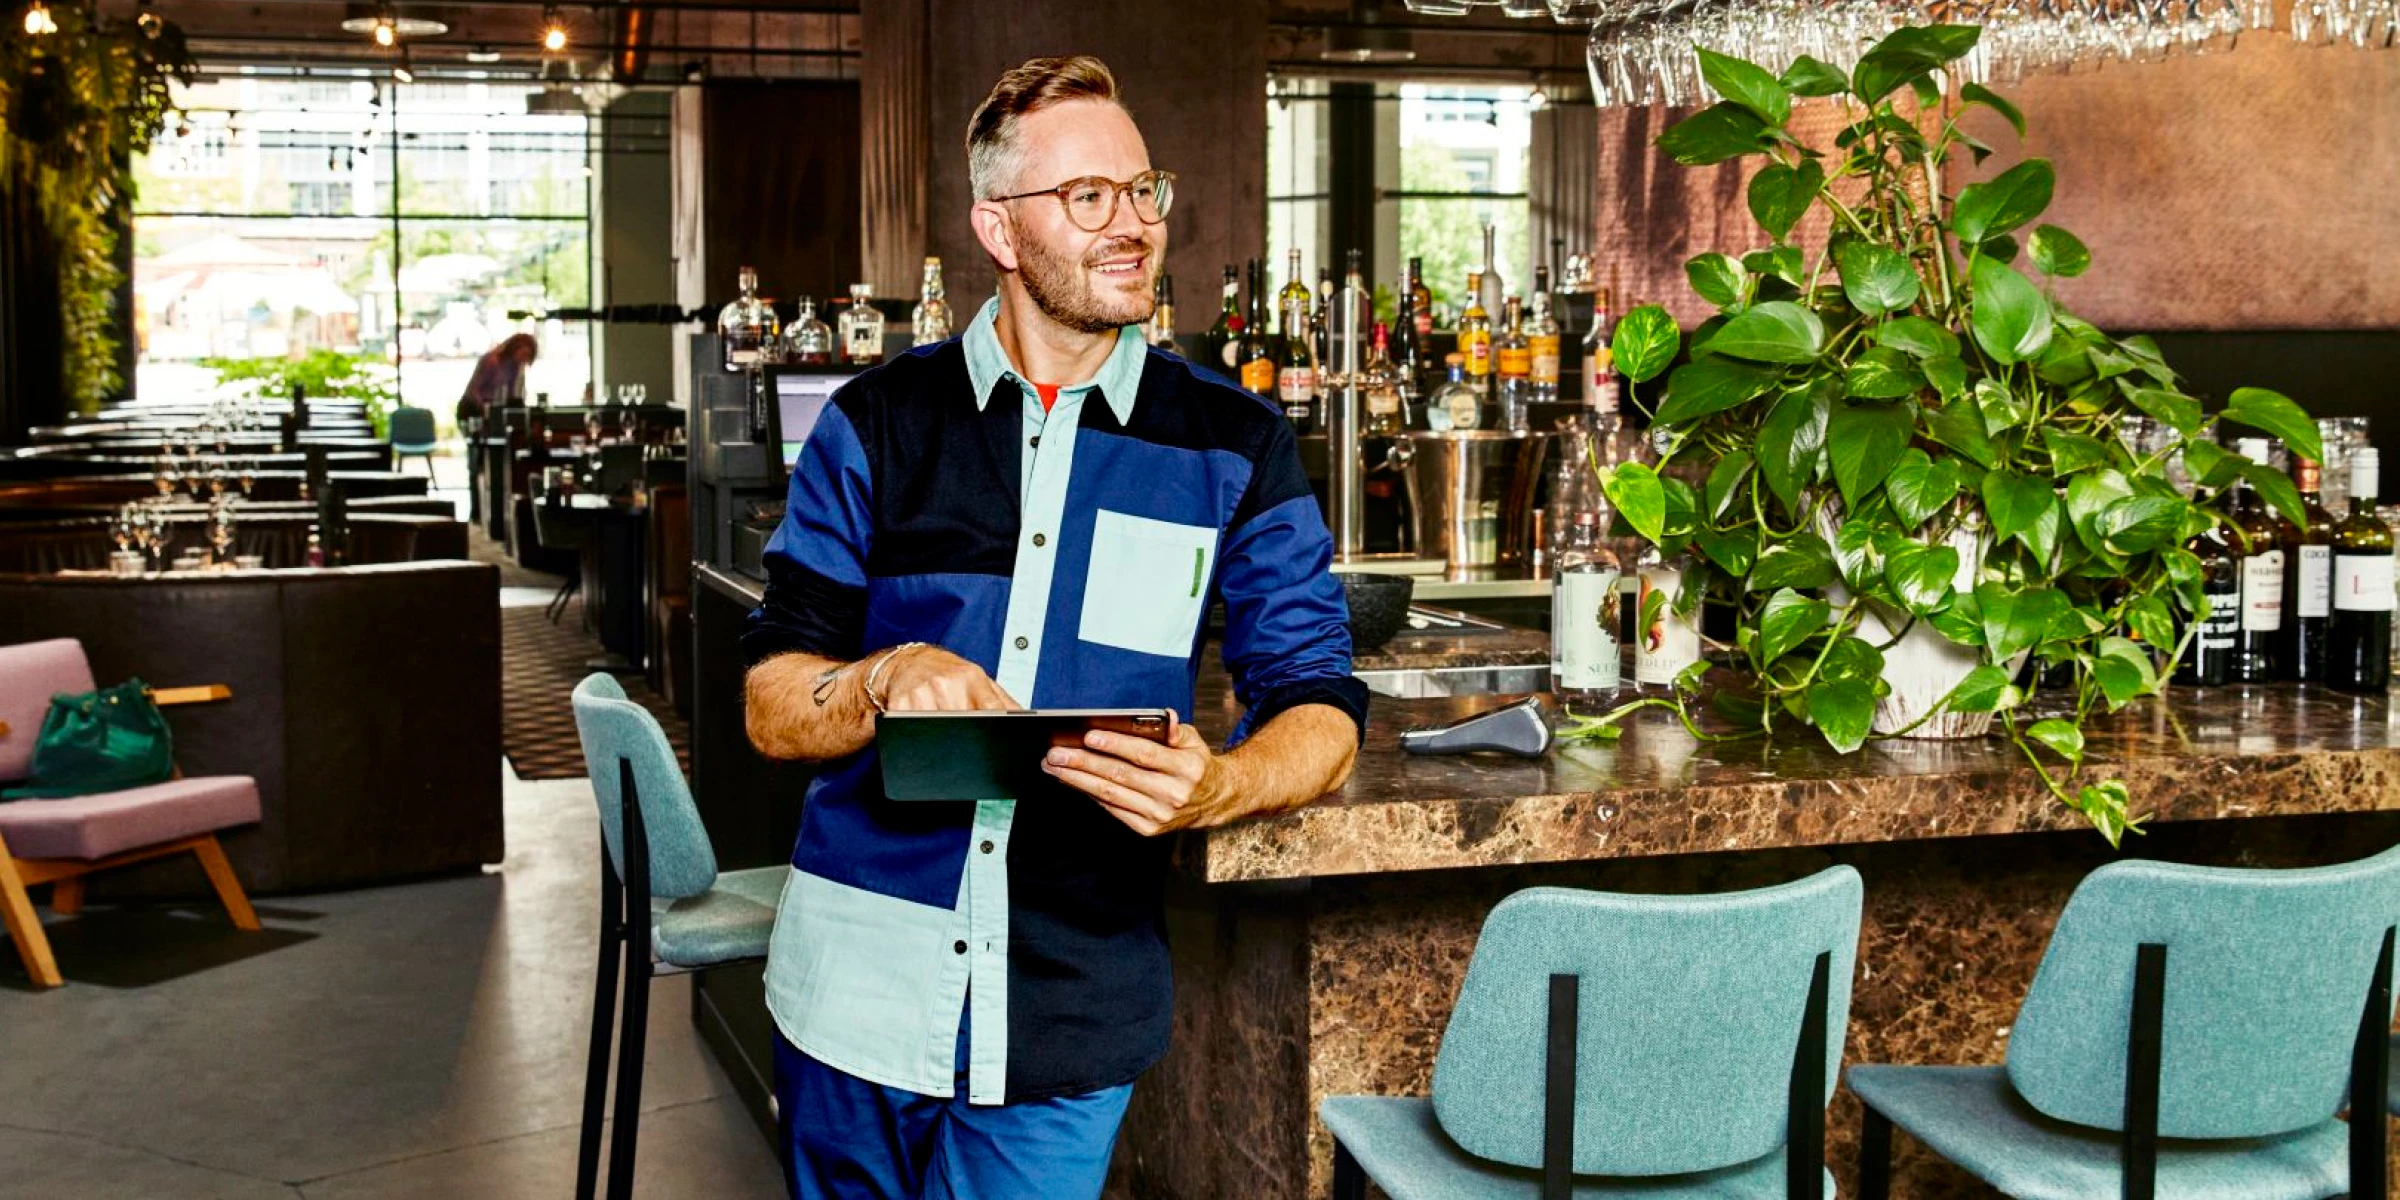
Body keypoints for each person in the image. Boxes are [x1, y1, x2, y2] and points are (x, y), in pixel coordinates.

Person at [740, 55, 1365, 1200]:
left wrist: (1220, 787)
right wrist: (883, 674)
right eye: (1088, 197)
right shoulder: (875, 424)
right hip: (856, 994)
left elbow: (1321, 701)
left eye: (1144, 191)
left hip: (1072, 1000)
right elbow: (773, 702)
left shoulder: (1235, 442)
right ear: (997, 225)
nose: (1131, 225)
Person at [455, 332, 537, 428]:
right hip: (473, 408)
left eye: (527, 356)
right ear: (513, 348)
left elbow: (511, 393)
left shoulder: (515, 366)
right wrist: (483, 407)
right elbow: (473, 390)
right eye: (523, 354)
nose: (524, 359)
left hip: (493, 409)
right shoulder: (491, 361)